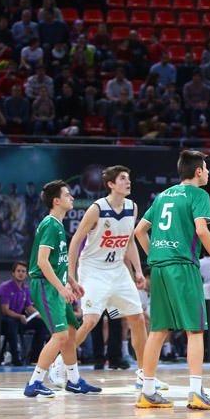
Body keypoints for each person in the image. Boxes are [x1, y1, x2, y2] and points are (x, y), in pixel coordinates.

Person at [132, 150, 210, 410]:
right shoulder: (199, 195)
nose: (207, 173)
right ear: (198, 171)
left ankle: (148, 392)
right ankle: (196, 392)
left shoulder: (163, 196)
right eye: (206, 168)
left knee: (159, 330)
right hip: (183, 266)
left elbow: (139, 231)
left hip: (159, 267)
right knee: (195, 329)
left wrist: (154, 254)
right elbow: (201, 229)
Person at [62, 166, 166, 391]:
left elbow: (129, 242)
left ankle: (144, 374)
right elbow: (76, 240)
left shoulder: (132, 207)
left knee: (137, 319)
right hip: (93, 269)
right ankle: (61, 363)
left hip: (117, 269)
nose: (128, 182)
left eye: (129, 178)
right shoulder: (96, 209)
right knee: (90, 321)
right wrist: (71, 275)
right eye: (122, 179)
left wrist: (138, 270)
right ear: (111, 184)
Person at [23, 180, 101, 397]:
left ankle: (74, 380)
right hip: (45, 286)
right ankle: (34, 382)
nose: (72, 197)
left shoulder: (57, 225)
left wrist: (72, 283)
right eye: (68, 195)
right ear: (56, 201)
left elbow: (59, 262)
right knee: (60, 335)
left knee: (72, 330)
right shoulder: (50, 224)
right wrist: (61, 288)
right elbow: (42, 261)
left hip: (56, 285)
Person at [0, 261, 48, 366]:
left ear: (26, 274)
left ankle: (34, 358)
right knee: (11, 323)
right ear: (13, 273)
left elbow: (29, 307)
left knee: (41, 324)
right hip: (4, 321)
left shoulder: (25, 289)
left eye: (23, 271)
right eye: (18, 271)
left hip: (20, 319)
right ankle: (16, 359)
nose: (21, 273)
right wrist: (20, 316)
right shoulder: (5, 287)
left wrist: (42, 316)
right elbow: (5, 310)